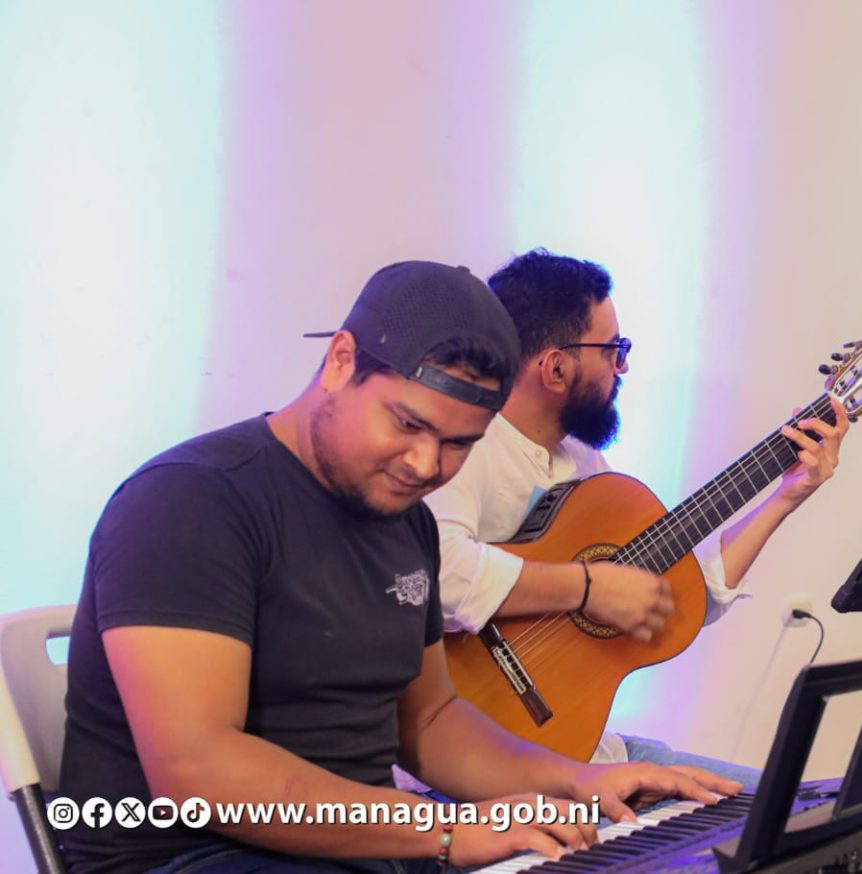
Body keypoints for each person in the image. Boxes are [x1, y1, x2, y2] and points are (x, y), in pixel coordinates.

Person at [58, 261, 734, 874]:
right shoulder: (190, 501)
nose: (425, 465)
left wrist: (577, 781)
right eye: (408, 424)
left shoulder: (407, 521)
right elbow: (198, 769)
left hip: (370, 848)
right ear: (340, 362)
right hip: (193, 856)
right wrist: (442, 831)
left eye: (459, 444)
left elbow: (431, 720)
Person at [424, 248, 848, 781]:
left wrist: (786, 495)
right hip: (494, 772)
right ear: (555, 368)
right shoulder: (465, 450)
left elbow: (682, 599)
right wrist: (587, 588)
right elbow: (436, 575)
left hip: (599, 753)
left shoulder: (583, 464)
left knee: (795, 804)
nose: (623, 365)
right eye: (614, 349)